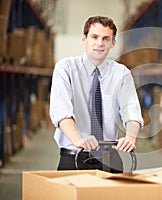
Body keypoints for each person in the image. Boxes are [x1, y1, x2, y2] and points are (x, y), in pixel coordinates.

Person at [49, 16, 143, 172]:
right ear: (84, 38)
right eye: (94, 37)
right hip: (74, 158)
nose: (100, 43)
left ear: (113, 43)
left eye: (106, 38)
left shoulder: (121, 73)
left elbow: (132, 111)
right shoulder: (65, 69)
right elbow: (62, 113)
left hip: (110, 160)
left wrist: (130, 138)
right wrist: (79, 141)